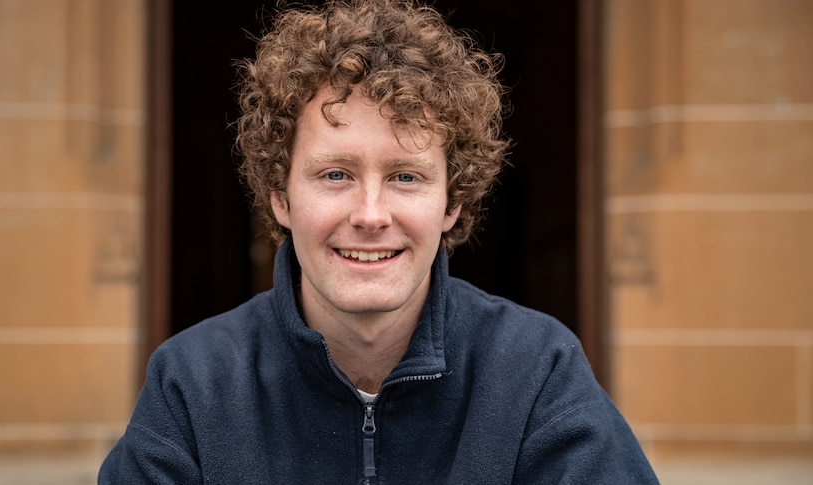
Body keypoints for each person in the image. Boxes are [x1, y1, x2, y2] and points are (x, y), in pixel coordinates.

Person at [99, 0, 659, 483]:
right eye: (335, 174)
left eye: (406, 177)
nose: (370, 216)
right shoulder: (191, 384)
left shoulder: (537, 370)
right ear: (280, 197)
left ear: (453, 201)